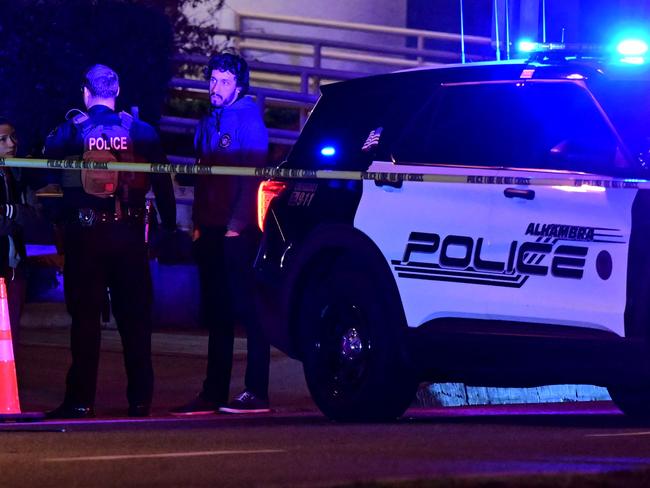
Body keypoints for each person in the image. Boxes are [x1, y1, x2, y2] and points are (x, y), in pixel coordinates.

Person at [43, 64, 177, 419]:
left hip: (86, 237)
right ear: (117, 91)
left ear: (86, 93)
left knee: (85, 320)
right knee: (135, 321)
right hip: (130, 237)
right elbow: (163, 183)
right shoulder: (142, 131)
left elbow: (44, 171)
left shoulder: (70, 131)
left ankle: (80, 401)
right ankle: (140, 401)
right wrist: (168, 228)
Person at [171, 51, 271, 415]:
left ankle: (257, 391)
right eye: (213, 79)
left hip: (235, 233)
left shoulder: (249, 122)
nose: (215, 87)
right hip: (210, 229)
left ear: (238, 85)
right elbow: (202, 180)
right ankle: (213, 392)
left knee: (248, 311)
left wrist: (236, 227)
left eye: (224, 81)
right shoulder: (207, 121)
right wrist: (198, 224)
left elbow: (252, 181)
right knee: (218, 314)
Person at [0, 117, 41, 344]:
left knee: (10, 336)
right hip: (4, 263)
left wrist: (13, 212)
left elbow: (34, 214)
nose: (12, 143)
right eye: (3, 139)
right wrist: (17, 215)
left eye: (13, 137)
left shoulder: (16, 175)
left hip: (15, 265)